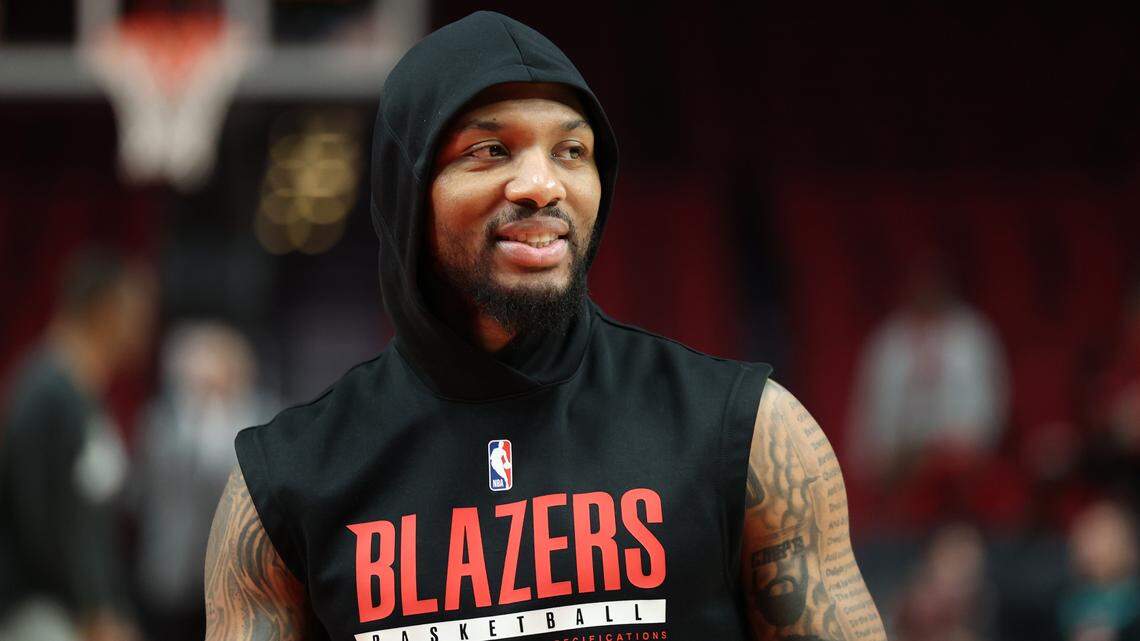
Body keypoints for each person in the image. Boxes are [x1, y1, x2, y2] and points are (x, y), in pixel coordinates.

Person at [204, 11, 886, 641]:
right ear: (407, 191)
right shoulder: (285, 484)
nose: (542, 184)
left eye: (571, 150)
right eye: (491, 150)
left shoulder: (748, 433)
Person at [0, 248, 154, 641]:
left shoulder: (84, 393)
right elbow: (44, 520)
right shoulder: (47, 392)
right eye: (137, 310)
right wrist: (95, 611)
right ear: (106, 309)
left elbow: (91, 518)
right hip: (39, 613)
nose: (146, 324)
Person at [133, 322, 276, 641]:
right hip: (172, 577)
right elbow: (145, 490)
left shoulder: (265, 420)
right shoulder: (161, 424)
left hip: (240, 578)